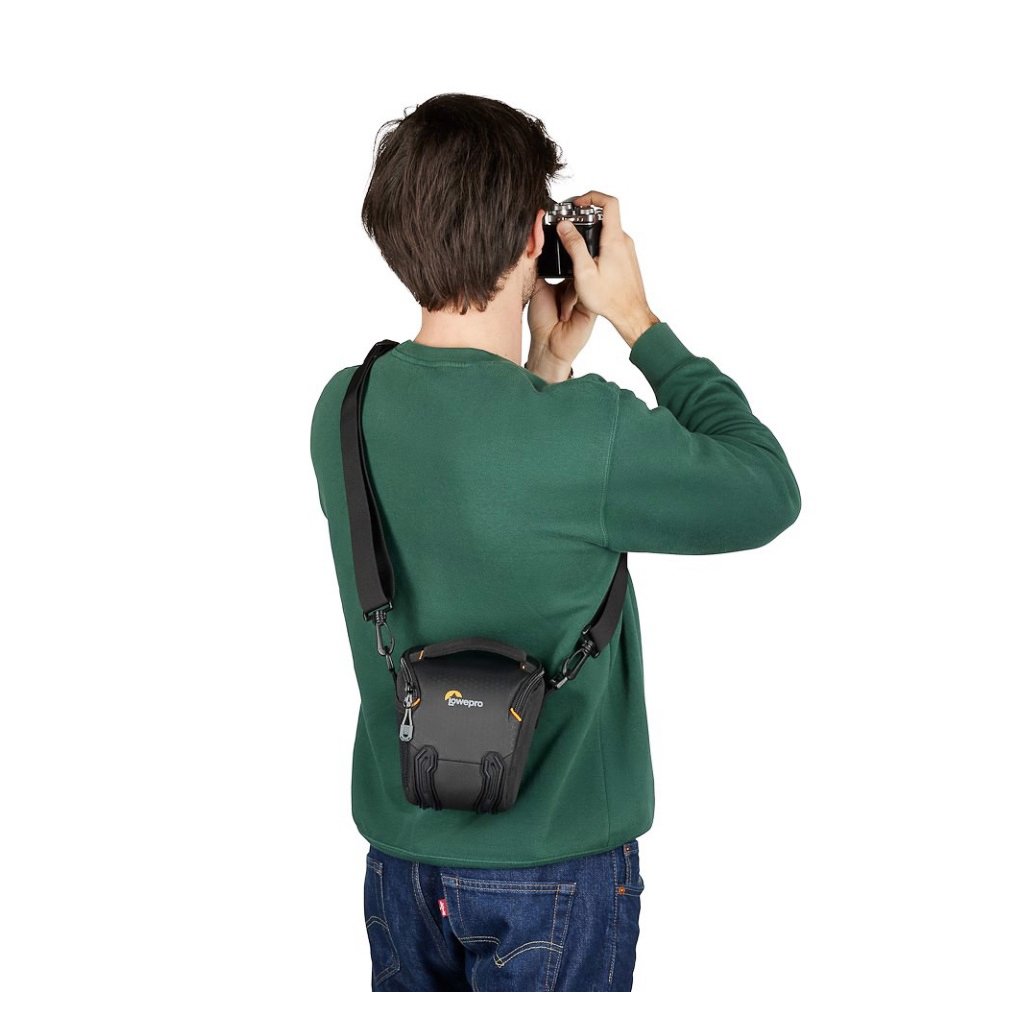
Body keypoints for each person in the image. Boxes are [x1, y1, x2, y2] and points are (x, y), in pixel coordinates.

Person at [309, 93, 801, 992]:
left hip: (402, 867)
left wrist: (546, 364)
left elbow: (478, 493)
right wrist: (638, 321)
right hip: (556, 872)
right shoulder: (589, 433)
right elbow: (765, 489)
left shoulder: (346, 406)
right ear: (537, 237)